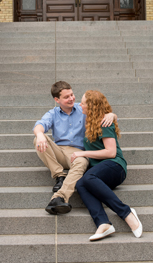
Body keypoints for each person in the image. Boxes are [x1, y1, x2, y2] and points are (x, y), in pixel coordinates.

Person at [33, 81, 116, 215]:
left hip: (78, 152)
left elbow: (102, 112)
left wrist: (112, 115)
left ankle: (59, 198)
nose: (71, 99)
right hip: (59, 151)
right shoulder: (53, 113)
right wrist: (40, 134)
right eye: (66, 97)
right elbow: (40, 125)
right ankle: (59, 175)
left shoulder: (83, 108)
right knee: (38, 138)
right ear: (57, 99)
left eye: (72, 95)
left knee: (82, 161)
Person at [72, 90, 143, 241]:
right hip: (99, 170)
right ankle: (103, 223)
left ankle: (127, 213)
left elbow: (111, 152)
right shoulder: (91, 120)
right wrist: (114, 114)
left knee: (88, 178)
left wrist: (83, 154)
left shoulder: (104, 122)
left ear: (91, 106)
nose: (80, 105)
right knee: (81, 184)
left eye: (83, 103)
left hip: (115, 166)